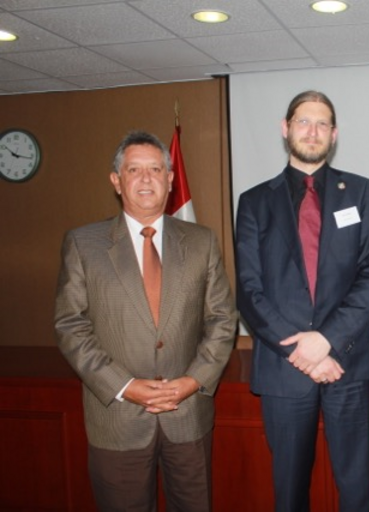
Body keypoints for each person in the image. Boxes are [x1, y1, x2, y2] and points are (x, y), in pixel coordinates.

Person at [54, 131, 238, 512]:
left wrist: (192, 381)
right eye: (133, 169)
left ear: (171, 180)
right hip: (117, 419)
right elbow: (71, 326)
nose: (145, 178)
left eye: (155, 169)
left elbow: (222, 319)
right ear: (116, 180)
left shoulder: (202, 241)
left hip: (187, 416)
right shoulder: (83, 243)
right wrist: (124, 386)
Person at [236, 90, 369, 512]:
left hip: (349, 364)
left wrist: (327, 341)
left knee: (358, 492)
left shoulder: (358, 191)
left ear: (334, 134)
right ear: (286, 129)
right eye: (303, 121)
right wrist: (303, 348)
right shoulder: (254, 202)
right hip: (285, 368)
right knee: (289, 492)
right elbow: (249, 289)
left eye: (322, 124)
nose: (313, 131)